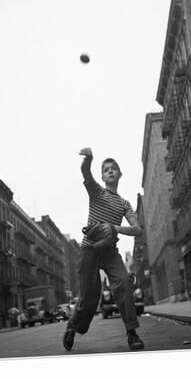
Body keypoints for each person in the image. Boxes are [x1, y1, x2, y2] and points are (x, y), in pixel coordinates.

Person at [62, 147, 144, 351]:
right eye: (106, 169)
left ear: (119, 174)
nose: (110, 171)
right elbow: (85, 174)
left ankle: (132, 332)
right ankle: (73, 325)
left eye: (113, 168)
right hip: (90, 250)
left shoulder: (124, 204)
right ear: (102, 175)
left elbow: (137, 229)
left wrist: (115, 228)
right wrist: (88, 159)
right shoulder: (97, 192)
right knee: (89, 298)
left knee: (123, 282)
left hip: (110, 252)